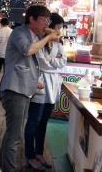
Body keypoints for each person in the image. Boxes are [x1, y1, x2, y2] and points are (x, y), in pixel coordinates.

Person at [0, 5, 60, 172]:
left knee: (13, 131)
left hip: (23, 90)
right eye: (43, 20)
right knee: (15, 135)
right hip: (14, 90)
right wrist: (47, 38)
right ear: (31, 19)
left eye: (48, 21)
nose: (47, 24)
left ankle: (2, 165)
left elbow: (30, 63)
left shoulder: (34, 35)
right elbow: (27, 51)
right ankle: (9, 169)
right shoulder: (20, 32)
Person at [24, 13, 67, 170]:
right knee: (33, 122)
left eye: (61, 28)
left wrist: (52, 61)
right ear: (49, 27)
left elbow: (62, 62)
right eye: (58, 28)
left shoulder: (59, 44)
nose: (59, 31)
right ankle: (29, 155)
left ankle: (39, 152)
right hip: (41, 83)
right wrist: (52, 61)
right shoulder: (39, 42)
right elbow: (42, 62)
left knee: (44, 122)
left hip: (53, 84)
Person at [0, 18, 12, 92]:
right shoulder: (12, 32)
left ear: (1, 23)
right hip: (8, 55)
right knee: (7, 71)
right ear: (8, 23)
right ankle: (6, 86)